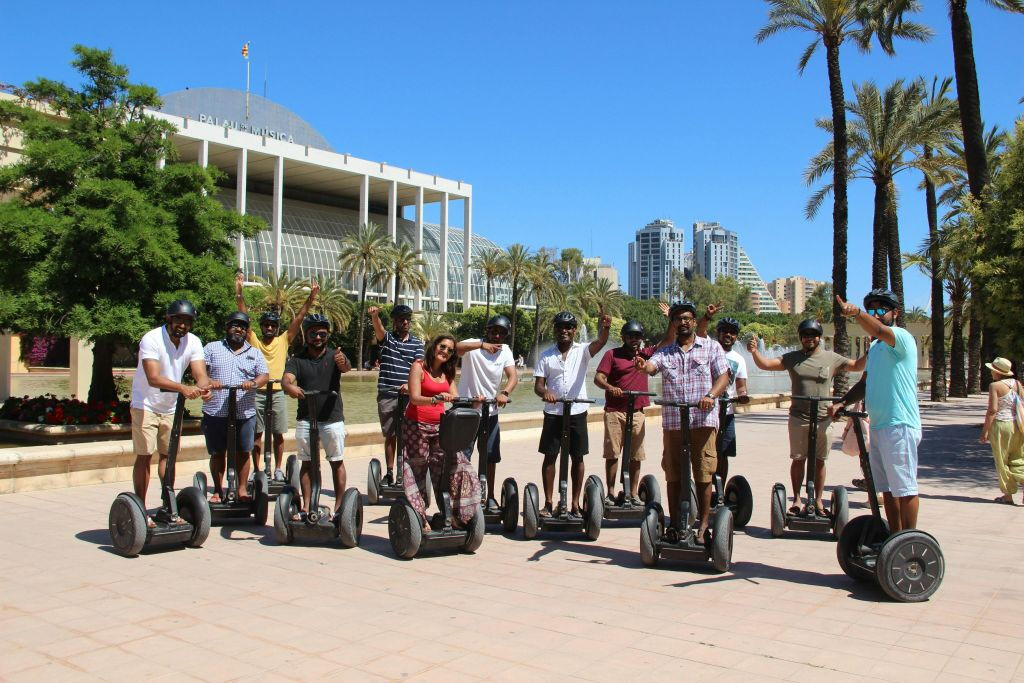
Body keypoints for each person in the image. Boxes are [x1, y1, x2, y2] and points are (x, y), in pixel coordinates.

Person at [748, 318, 864, 516]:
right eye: (805, 336)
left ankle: (818, 501)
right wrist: (755, 352)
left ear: (819, 338)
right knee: (799, 459)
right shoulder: (792, 358)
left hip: (823, 418)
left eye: (813, 336)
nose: (809, 339)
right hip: (799, 417)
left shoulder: (831, 358)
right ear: (801, 338)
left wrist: (870, 351)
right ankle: (797, 498)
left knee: (820, 460)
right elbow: (766, 365)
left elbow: (855, 366)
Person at [636, 302, 729, 539]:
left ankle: (704, 524)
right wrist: (643, 365)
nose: (683, 322)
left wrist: (710, 396)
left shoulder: (711, 347)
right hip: (674, 423)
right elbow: (652, 366)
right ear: (673, 323)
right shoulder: (665, 352)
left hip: (703, 421)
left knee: (703, 473)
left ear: (695, 321)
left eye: (687, 318)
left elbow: (723, 376)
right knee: (673, 474)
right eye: (678, 319)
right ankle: (676, 523)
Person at [830, 289, 921, 531]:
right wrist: (842, 403)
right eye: (872, 310)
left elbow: (879, 330)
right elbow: (864, 383)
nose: (877, 314)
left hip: (899, 424)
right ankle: (894, 537)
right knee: (887, 490)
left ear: (895, 313)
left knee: (905, 488)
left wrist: (858, 313)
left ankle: (909, 542)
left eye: (883, 309)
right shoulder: (876, 348)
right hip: (879, 426)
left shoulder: (900, 338)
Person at [129, 300, 217, 526]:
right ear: (169, 319)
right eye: (179, 320)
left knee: (169, 456)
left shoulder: (194, 342)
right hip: (145, 404)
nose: (183, 325)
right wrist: (183, 388)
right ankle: (140, 508)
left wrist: (204, 387)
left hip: (170, 407)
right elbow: (153, 378)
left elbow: (199, 373)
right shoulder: (151, 339)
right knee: (145, 455)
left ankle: (167, 504)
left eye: (187, 321)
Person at [234, 273, 317, 481]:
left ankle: (278, 469)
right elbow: (243, 315)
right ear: (261, 327)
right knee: (256, 434)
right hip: (257, 393)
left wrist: (310, 299)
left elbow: (298, 319)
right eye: (266, 325)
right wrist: (239, 293)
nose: (269, 328)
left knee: (278, 434)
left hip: (278, 392)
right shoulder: (253, 340)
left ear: (277, 328)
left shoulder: (283, 340)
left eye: (272, 325)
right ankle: (256, 469)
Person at [533, 310, 611, 518]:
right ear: (555, 330)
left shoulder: (582, 351)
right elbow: (538, 386)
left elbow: (600, 343)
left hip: (577, 411)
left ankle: (574, 503)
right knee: (550, 456)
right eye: (560, 327)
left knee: (578, 456)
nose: (564, 331)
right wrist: (546, 393)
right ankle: (549, 503)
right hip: (554, 412)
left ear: (575, 331)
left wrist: (605, 328)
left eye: (568, 327)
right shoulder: (546, 355)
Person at [403, 334, 480, 532]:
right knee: (417, 470)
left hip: (440, 427)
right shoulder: (419, 366)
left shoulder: (448, 372)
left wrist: (473, 400)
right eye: (442, 347)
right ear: (434, 346)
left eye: (450, 350)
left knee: (449, 467)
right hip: (416, 426)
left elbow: (456, 398)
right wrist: (436, 399)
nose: (445, 351)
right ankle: (419, 517)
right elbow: (415, 398)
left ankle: (454, 513)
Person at [593, 319, 673, 505]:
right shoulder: (612, 354)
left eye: (637, 336)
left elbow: (668, 340)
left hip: (637, 411)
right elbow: (598, 378)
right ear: (623, 337)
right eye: (630, 336)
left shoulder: (645, 355)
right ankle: (611, 493)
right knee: (612, 453)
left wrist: (670, 319)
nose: (634, 340)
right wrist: (610, 387)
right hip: (615, 411)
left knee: (636, 454)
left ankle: (633, 493)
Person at [281, 314, 352, 517]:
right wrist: (290, 388)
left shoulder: (334, 355)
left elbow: (345, 367)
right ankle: (307, 505)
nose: (318, 337)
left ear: (327, 335)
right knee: (307, 462)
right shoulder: (297, 359)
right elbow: (286, 380)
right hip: (306, 418)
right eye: (313, 333)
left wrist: (343, 361)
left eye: (322, 333)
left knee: (336, 460)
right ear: (307, 335)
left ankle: (339, 507)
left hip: (332, 418)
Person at [200, 312, 269, 503]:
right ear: (227, 327)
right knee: (217, 452)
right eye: (234, 325)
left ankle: (242, 489)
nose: (238, 329)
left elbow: (264, 375)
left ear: (247, 332)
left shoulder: (254, 352)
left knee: (243, 451)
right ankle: (218, 491)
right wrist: (210, 382)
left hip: (244, 411)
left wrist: (253, 383)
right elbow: (200, 373)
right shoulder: (212, 348)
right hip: (215, 410)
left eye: (242, 327)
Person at [456, 315, 519, 510]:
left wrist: (505, 392)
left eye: (501, 333)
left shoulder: (505, 351)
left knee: (490, 456)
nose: (497, 335)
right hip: (467, 409)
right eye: (494, 331)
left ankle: (489, 496)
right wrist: (482, 346)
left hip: (490, 410)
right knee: (462, 457)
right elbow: (455, 348)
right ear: (487, 330)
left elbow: (513, 376)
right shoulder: (473, 346)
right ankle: (462, 496)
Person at [369, 304, 424, 486]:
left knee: (408, 435)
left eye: (407, 318)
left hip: (409, 395)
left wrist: (410, 385)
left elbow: (420, 369)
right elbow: (379, 329)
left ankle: (407, 472)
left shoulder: (417, 343)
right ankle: (390, 472)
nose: (405, 321)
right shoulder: (388, 339)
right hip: (388, 393)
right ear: (395, 321)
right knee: (390, 434)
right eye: (401, 319)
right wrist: (375, 316)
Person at [701, 315, 748, 483]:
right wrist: (706, 317)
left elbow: (741, 386)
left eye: (732, 332)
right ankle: (704, 486)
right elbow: (700, 331)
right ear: (718, 333)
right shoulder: (708, 348)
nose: (728, 335)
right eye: (724, 331)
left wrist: (742, 396)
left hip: (726, 414)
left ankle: (719, 489)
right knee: (705, 452)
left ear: (736, 336)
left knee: (724, 452)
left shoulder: (739, 359)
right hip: (706, 412)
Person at [980, 357, 1024, 504]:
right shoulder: (1018, 384)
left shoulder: (995, 386)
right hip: (1017, 425)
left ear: (996, 372)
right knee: (1018, 458)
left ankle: (1007, 495)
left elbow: (992, 410)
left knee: (1002, 460)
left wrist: (985, 430)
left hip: (1001, 425)